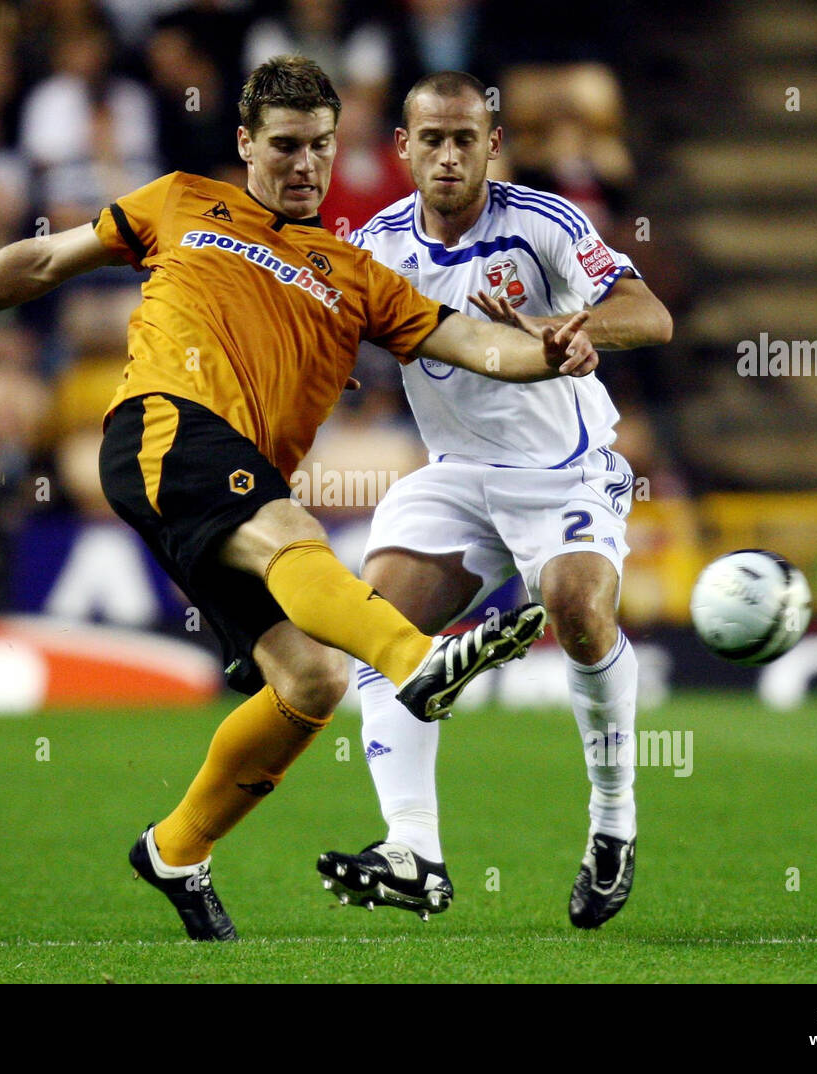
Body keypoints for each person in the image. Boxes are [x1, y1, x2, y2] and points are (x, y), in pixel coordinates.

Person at [0, 57, 596, 942]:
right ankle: (413, 661)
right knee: (291, 533)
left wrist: (552, 349)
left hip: (237, 478)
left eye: (321, 146)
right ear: (245, 143)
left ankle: (176, 848)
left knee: (311, 681)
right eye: (285, 146)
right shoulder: (181, 202)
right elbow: (46, 259)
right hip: (166, 422)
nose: (306, 165)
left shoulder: (357, 275)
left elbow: (474, 341)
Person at [318, 71, 672, 929]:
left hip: (566, 467)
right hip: (456, 473)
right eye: (430, 139)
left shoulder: (545, 223)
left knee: (577, 607)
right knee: (378, 626)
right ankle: (414, 851)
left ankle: (613, 822)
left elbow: (649, 312)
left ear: (492, 145)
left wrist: (581, 330)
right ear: (401, 148)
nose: (447, 155)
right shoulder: (374, 247)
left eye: (464, 138)